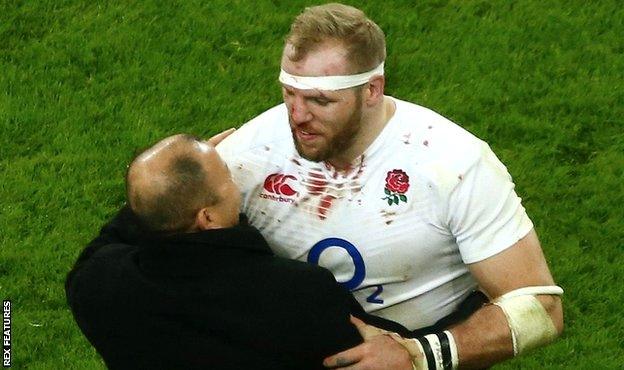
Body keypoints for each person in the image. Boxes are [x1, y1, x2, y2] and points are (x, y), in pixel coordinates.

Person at [216, 3, 564, 369]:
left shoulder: (452, 162)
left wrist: (418, 356)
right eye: (289, 94)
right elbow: (170, 249)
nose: (298, 116)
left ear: (372, 90)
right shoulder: (249, 155)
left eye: (321, 100)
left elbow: (540, 307)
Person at [65, 133, 412, 370]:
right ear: (207, 217)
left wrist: (169, 187)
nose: (237, 186)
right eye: (228, 179)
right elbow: (369, 352)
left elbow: (105, 242)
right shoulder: (301, 292)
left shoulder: (99, 285)